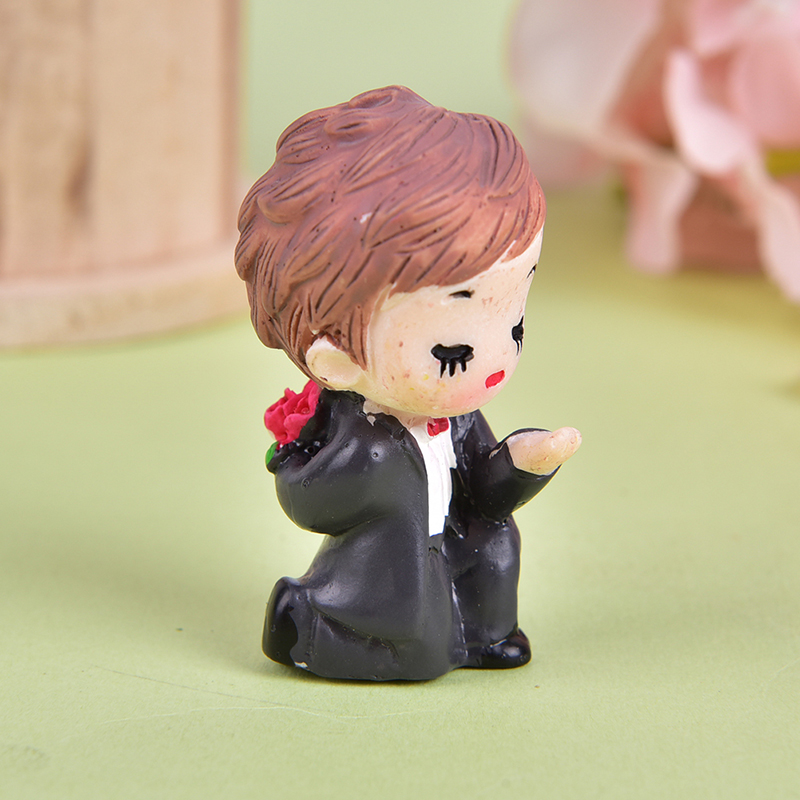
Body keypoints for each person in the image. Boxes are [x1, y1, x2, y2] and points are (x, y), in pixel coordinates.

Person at [235, 85, 581, 680]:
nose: (497, 360)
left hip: (455, 549)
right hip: (391, 575)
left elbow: (483, 488)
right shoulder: (362, 441)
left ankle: (487, 633)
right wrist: (319, 465)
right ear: (336, 359)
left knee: (494, 543)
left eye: (514, 326)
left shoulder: (459, 415)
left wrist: (522, 463)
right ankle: (304, 622)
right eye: (452, 354)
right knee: (417, 640)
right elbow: (310, 502)